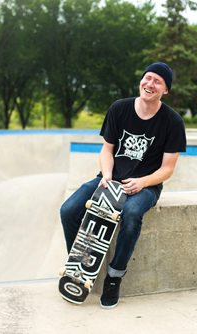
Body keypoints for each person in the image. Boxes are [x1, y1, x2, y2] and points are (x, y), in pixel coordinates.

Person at [60, 62, 187, 309]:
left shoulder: (172, 122)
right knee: (68, 210)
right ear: (141, 80)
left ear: (166, 90)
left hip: (147, 185)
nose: (150, 84)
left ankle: (114, 277)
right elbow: (106, 150)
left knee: (131, 214)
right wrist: (106, 175)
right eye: (147, 78)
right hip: (109, 178)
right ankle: (80, 265)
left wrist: (142, 182)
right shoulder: (119, 109)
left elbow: (167, 168)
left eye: (157, 81)